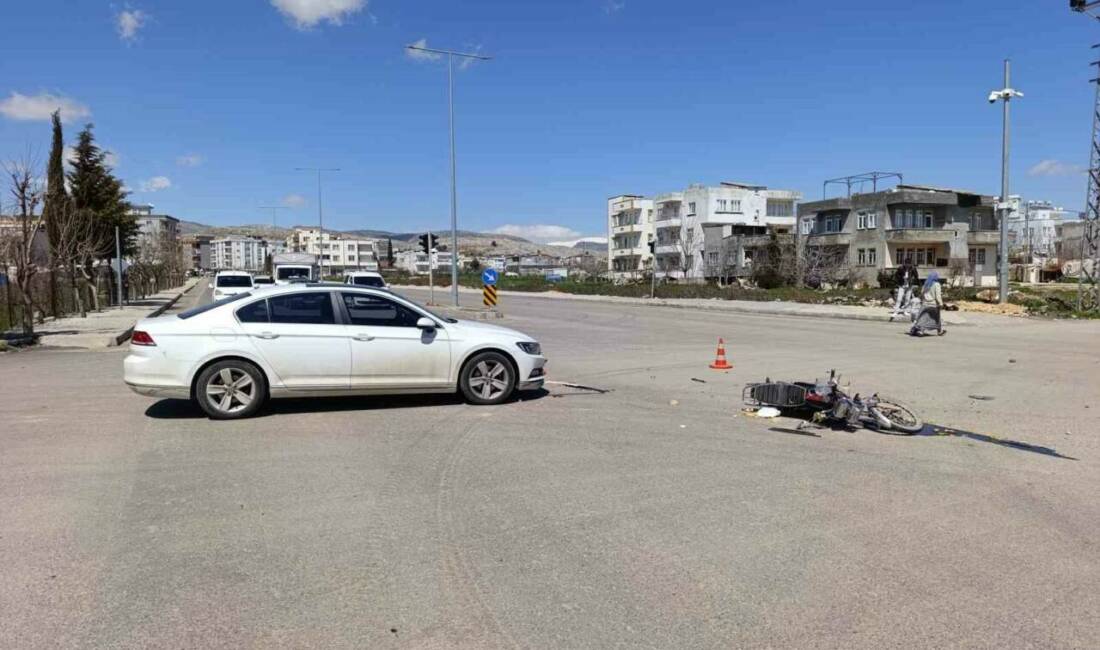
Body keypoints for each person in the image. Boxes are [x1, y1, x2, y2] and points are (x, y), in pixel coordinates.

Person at [910, 271, 945, 336]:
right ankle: (939, 331)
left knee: (923, 318)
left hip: (925, 304)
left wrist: (923, 300)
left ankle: (921, 331)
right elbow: (938, 296)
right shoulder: (936, 284)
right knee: (936, 318)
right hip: (933, 305)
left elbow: (922, 293)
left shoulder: (926, 284)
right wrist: (941, 303)